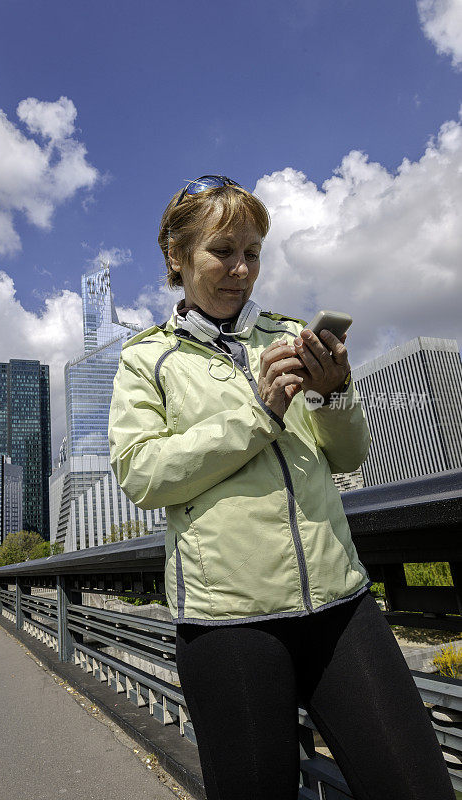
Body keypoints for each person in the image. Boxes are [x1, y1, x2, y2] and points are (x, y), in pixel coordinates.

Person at [108, 176, 455, 800]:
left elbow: (349, 457)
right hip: (227, 625)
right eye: (223, 251)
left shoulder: (289, 334)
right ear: (176, 256)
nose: (242, 270)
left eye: (253, 253)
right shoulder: (145, 361)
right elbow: (142, 475)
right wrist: (258, 413)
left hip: (339, 602)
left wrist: (334, 393)